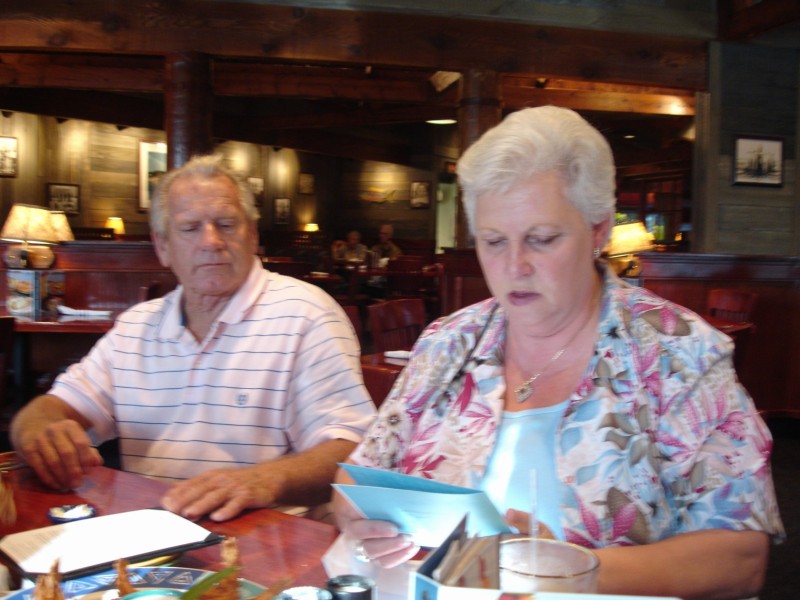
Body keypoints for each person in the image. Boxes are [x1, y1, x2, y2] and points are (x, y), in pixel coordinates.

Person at [332, 106, 784, 599]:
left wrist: (564, 568)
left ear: (599, 229)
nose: (514, 266)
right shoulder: (448, 341)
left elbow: (740, 559)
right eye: (493, 241)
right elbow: (357, 481)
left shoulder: (678, 353)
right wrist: (360, 522)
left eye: (542, 239)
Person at [11, 154, 376, 523]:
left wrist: (264, 480)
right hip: (152, 535)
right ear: (163, 246)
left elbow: (354, 452)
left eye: (226, 224)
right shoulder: (136, 326)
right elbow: (50, 409)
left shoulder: (307, 314)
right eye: (189, 228)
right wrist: (38, 432)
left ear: (252, 235)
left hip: (271, 539)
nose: (211, 241)